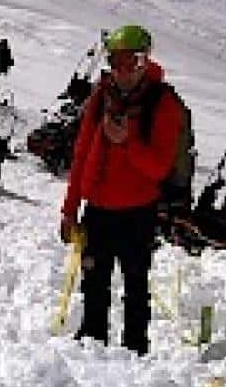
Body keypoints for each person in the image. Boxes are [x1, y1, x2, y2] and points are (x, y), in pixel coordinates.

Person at [60, 23, 184, 356]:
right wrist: (70, 209)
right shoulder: (102, 96)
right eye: (118, 62)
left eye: (134, 62)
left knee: (135, 286)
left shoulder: (163, 103)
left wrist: (126, 142)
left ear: (146, 62)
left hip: (137, 212)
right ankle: (91, 345)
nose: (124, 71)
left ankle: (134, 353)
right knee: (94, 282)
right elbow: (82, 153)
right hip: (98, 210)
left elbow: (160, 166)